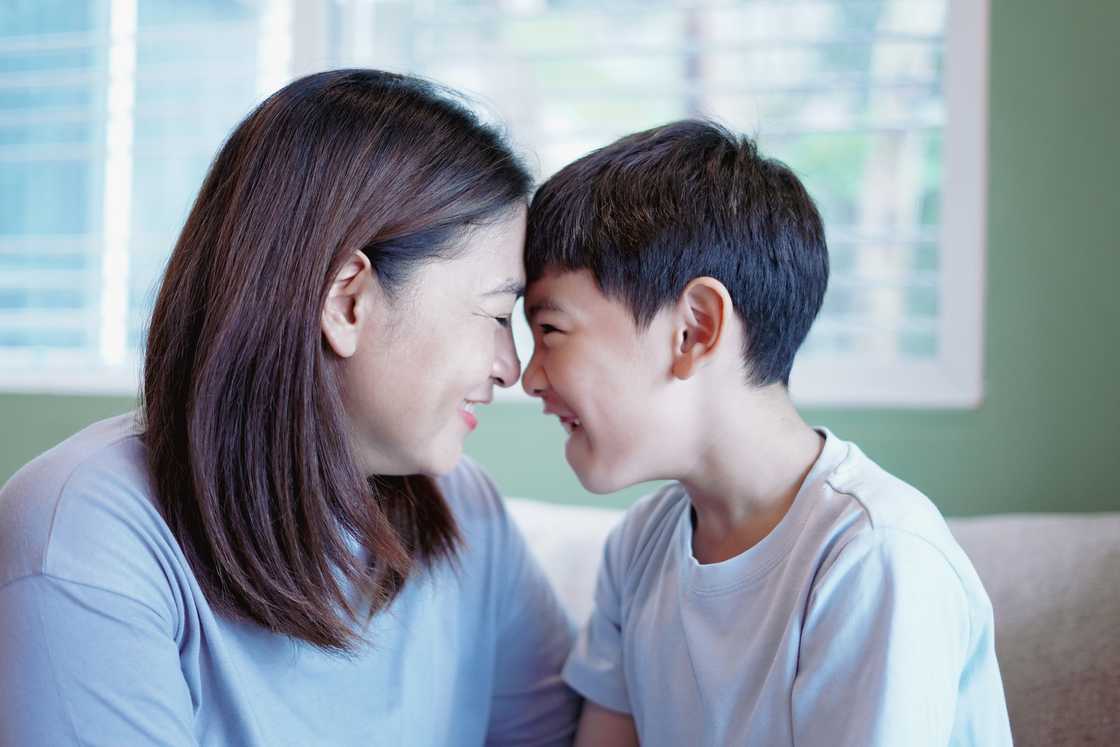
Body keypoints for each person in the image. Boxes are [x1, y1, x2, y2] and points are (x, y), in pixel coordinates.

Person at [0, 70, 578, 745]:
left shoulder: (469, 515)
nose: (511, 367)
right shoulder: (82, 538)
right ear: (347, 301)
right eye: (495, 313)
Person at [520, 120, 1013, 746]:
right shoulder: (639, 547)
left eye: (551, 331)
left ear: (693, 330)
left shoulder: (875, 556)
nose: (529, 377)